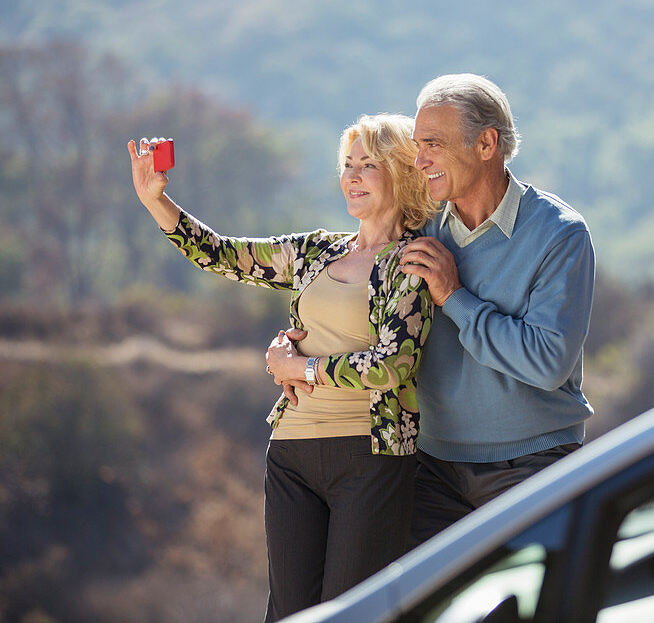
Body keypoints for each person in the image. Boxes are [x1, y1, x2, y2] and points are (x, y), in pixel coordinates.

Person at [127, 115, 436, 621]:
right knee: (288, 614)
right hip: (291, 455)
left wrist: (304, 367)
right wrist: (157, 201)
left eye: (369, 165)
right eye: (347, 164)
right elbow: (225, 256)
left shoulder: (415, 260)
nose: (352, 176)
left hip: (371, 456)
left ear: (403, 173)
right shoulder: (317, 251)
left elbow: (393, 365)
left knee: (349, 614)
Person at [398, 74, 595, 545]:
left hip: (531, 466)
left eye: (433, 144)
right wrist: (301, 358)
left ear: (486, 143)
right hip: (431, 469)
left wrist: (454, 298)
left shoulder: (560, 234)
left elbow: (548, 362)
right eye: (416, 145)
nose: (419, 160)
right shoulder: (417, 224)